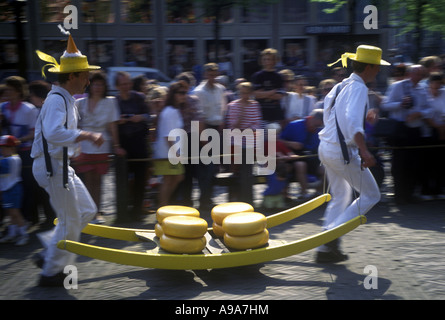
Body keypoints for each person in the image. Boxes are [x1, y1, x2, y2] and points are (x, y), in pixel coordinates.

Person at [32, 31, 104, 286]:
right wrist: (85, 135)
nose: (88, 80)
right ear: (72, 76)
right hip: (53, 169)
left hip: (61, 167)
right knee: (71, 220)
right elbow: (53, 133)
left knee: (87, 211)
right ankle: (50, 272)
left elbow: (57, 135)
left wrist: (75, 145)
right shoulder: (57, 100)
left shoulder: (66, 99)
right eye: (85, 76)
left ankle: (49, 249)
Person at [316, 45, 390, 263]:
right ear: (368, 67)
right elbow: (350, 123)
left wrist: (361, 117)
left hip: (326, 147)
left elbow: (330, 114)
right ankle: (330, 235)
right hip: (342, 152)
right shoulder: (358, 89)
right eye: (377, 67)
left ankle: (325, 249)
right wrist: (365, 151)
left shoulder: (340, 85)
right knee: (372, 195)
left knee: (341, 196)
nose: (378, 71)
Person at [75, 71, 125, 224]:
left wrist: (116, 146)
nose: (97, 87)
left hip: (102, 144)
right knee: (86, 180)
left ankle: (96, 212)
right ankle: (87, 211)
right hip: (83, 144)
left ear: (105, 87)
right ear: (90, 85)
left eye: (101, 84)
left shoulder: (110, 102)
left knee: (98, 181)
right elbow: (75, 126)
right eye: (95, 84)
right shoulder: (80, 103)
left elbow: (112, 126)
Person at [381, 64, 432, 204]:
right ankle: (399, 195)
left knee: (414, 163)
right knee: (399, 164)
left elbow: (429, 109)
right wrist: (400, 103)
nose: (419, 76)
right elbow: (385, 105)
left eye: (421, 74)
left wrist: (419, 113)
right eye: (416, 73)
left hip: (415, 130)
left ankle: (410, 194)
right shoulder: (398, 86)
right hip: (400, 130)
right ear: (409, 74)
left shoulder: (423, 89)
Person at [1, 76, 39, 225]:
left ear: (18, 91)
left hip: (25, 151)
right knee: (6, 185)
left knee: (27, 185)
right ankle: (12, 220)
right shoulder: (3, 107)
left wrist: (18, 140)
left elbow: (35, 132)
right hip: (5, 153)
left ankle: (29, 218)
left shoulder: (28, 109)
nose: (7, 92)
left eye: (10, 89)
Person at [115, 71, 151, 222]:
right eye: (123, 84)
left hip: (139, 141)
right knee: (122, 180)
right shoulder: (114, 101)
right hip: (123, 142)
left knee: (141, 178)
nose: (126, 86)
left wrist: (140, 117)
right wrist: (119, 120)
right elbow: (110, 122)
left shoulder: (139, 97)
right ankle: (123, 212)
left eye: (128, 83)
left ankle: (137, 211)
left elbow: (150, 116)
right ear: (117, 86)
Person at [193, 63, 226, 212]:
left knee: (214, 167)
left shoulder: (220, 89)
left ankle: (208, 198)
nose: (213, 77)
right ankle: (203, 200)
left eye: (215, 74)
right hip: (204, 128)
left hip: (217, 128)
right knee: (205, 167)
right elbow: (198, 116)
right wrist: (202, 136)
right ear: (206, 74)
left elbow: (222, 108)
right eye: (210, 74)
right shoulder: (199, 92)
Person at [225, 81, 262, 204]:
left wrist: (246, 130)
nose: (244, 95)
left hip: (250, 143)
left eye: (247, 93)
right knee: (235, 171)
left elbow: (257, 124)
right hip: (235, 143)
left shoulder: (255, 105)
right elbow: (233, 126)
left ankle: (248, 200)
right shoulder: (233, 105)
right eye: (242, 93)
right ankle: (234, 199)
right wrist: (241, 114)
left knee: (248, 172)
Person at [28, 80, 56, 228]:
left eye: (31, 94)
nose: (30, 97)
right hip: (43, 156)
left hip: (48, 157)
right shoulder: (40, 110)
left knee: (49, 190)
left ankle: (52, 218)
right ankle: (50, 218)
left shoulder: (45, 110)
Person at [153, 82, 186, 207]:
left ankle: (164, 205)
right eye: (181, 93)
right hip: (168, 152)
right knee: (168, 180)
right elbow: (168, 135)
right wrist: (175, 153)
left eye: (185, 93)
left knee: (176, 178)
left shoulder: (174, 110)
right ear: (174, 95)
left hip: (172, 151)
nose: (184, 95)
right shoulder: (170, 111)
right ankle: (162, 206)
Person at [279, 109, 324, 199]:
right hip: (295, 156)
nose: (316, 127)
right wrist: (291, 143)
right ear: (310, 118)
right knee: (301, 165)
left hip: (312, 156)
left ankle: (319, 193)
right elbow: (279, 141)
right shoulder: (294, 125)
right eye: (315, 125)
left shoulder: (320, 129)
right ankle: (304, 193)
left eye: (319, 126)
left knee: (326, 168)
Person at [0, 135, 28, 246]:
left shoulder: (13, 159)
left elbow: (3, 166)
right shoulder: (5, 159)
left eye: (5, 147)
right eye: (1, 147)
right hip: (6, 190)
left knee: (15, 213)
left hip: (14, 189)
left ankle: (23, 235)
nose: (2, 150)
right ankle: (12, 234)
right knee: (9, 213)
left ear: (12, 148)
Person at [251, 48, 285, 128]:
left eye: (269, 59)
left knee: (271, 140)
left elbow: (279, 96)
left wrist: (263, 93)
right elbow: (256, 94)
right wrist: (273, 91)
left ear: (274, 61)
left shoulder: (279, 76)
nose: (266, 62)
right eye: (264, 59)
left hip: (274, 115)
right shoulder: (257, 76)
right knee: (259, 139)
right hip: (259, 115)